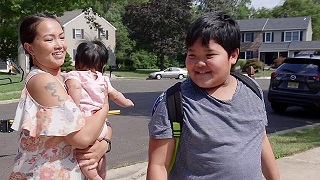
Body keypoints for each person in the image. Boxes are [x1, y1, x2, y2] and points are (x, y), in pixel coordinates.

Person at [147, 12, 280, 180]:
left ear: (233, 56)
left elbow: (261, 141)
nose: (199, 63)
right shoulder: (173, 102)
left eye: (209, 55)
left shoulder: (252, 89)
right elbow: (158, 165)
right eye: (192, 55)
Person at [9, 13, 111, 179]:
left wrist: (104, 144)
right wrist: (106, 106)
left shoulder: (69, 79)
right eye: (49, 39)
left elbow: (101, 124)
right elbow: (82, 137)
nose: (59, 45)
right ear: (30, 48)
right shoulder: (42, 81)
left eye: (62, 37)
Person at [65, 40, 134, 180]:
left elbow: (75, 89)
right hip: (102, 125)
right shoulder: (103, 79)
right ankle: (101, 175)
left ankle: (95, 177)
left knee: (85, 157)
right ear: (102, 66)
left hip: (87, 122)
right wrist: (126, 103)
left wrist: (75, 106)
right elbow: (115, 95)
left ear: (77, 63)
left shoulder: (74, 76)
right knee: (99, 155)